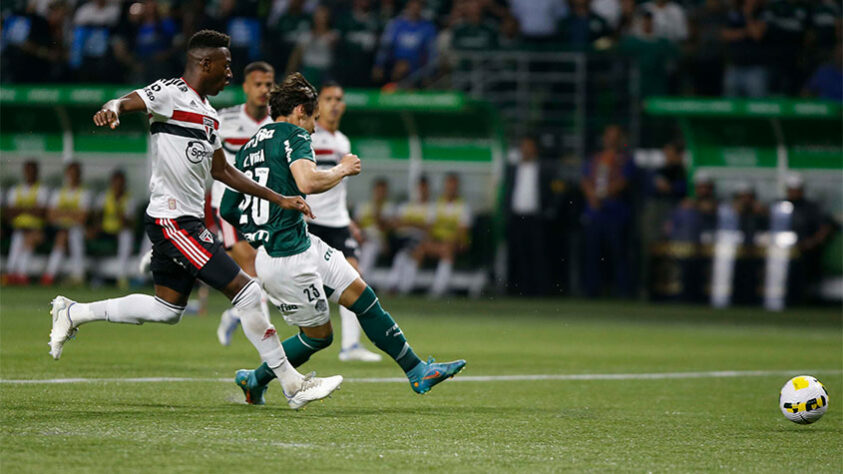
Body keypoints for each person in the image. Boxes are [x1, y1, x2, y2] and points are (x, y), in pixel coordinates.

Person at [48, 30, 342, 410]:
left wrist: (280, 197)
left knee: (166, 310)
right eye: (227, 65)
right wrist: (114, 109)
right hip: (172, 220)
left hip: (185, 221)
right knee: (247, 290)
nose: (230, 73)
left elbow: (225, 172)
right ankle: (291, 383)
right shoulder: (170, 93)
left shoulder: (209, 115)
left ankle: (73, 312)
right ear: (206, 63)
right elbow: (126, 100)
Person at [219, 73, 465, 404]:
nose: (315, 127)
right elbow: (307, 182)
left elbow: (228, 208)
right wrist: (343, 169)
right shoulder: (294, 134)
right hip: (287, 260)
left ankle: (417, 371)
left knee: (363, 297)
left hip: (301, 245)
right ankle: (256, 379)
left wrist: (257, 234)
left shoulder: (248, 148)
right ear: (301, 110)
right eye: (314, 118)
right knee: (319, 337)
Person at [305, 82, 382, 362]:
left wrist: (348, 221)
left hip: (337, 223)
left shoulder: (343, 141)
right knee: (307, 285)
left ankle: (350, 346)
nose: (334, 103)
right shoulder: (310, 137)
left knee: (354, 278)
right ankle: (244, 311)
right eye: (329, 98)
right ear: (318, 104)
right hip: (312, 221)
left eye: (339, 98)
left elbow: (339, 188)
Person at [209, 61, 276, 347]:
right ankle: (269, 342)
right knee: (249, 263)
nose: (264, 90)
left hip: (264, 206)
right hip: (229, 205)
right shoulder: (224, 119)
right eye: (258, 84)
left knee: (266, 272)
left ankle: (235, 314)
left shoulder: (278, 123)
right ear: (246, 87)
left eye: (269, 84)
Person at [580, 124, 637, 298]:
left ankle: (623, 290)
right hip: (595, 213)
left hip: (615, 213)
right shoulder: (595, 159)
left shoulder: (626, 160)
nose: (611, 140)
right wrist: (592, 196)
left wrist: (602, 195)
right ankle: (592, 290)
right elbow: (585, 179)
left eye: (615, 136)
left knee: (618, 253)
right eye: (609, 136)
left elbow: (624, 182)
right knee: (592, 254)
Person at [407, 174, 472, 298]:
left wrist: (446, 242)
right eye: (449, 185)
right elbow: (430, 229)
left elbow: (462, 233)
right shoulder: (437, 205)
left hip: (456, 244)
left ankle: (437, 290)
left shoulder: (463, 207)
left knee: (447, 249)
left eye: (454, 186)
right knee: (420, 248)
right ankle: (406, 287)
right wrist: (429, 243)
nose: (451, 188)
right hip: (439, 242)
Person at [43, 162, 91, 286]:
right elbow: (50, 215)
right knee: (64, 235)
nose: (72, 176)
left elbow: (82, 218)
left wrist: (62, 213)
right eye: (70, 173)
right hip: (57, 229)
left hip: (77, 229)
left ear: (79, 175)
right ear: (66, 174)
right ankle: (76, 274)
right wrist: (72, 213)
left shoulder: (84, 193)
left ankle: (52, 275)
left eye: (75, 173)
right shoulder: (58, 192)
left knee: (74, 234)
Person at [3, 161, 50, 285]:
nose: (30, 173)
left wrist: (20, 209)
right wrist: (31, 209)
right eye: (28, 170)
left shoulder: (42, 189)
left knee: (28, 239)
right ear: (24, 172)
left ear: (37, 172)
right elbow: (9, 212)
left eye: (32, 170)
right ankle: (12, 272)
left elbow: (41, 212)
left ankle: (20, 274)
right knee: (18, 239)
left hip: (36, 229)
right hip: (18, 228)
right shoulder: (16, 190)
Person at [388, 176, 434, 295]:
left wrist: (408, 223)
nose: (421, 192)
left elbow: (429, 229)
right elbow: (396, 224)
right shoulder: (405, 206)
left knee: (407, 255)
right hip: (401, 239)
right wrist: (417, 224)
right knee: (403, 254)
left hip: (418, 240)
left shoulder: (431, 208)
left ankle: (401, 287)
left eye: (424, 189)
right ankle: (397, 286)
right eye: (419, 188)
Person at [90, 169, 135, 288]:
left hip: (119, 231)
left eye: (120, 183)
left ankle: (122, 276)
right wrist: (96, 227)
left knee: (127, 235)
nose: (117, 186)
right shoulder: (104, 196)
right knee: (92, 237)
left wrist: (118, 207)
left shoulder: (128, 199)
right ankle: (95, 276)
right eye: (115, 182)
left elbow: (129, 222)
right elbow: (97, 216)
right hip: (105, 230)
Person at [354, 178, 395, 280]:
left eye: (383, 191)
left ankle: (361, 280)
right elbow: (356, 225)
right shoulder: (363, 206)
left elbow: (384, 227)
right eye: (378, 190)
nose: (380, 193)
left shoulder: (389, 207)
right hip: (363, 236)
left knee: (369, 248)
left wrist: (377, 209)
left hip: (379, 240)